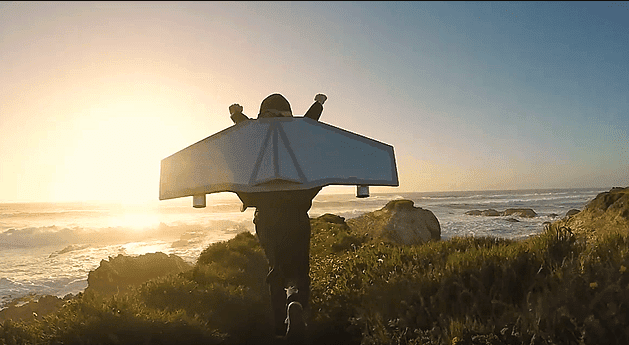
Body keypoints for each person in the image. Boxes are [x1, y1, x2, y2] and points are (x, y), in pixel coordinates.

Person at [229, 93, 327, 341]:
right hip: (296, 214)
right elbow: (309, 123)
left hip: (267, 216)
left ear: (262, 114)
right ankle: (295, 303)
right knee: (299, 268)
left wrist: (236, 115)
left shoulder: (257, 136)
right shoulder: (295, 136)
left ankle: (279, 329)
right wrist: (318, 104)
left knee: (277, 268)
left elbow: (246, 132)